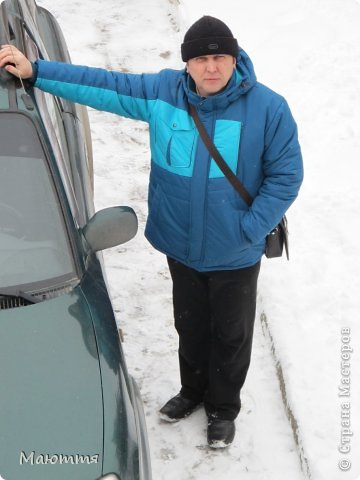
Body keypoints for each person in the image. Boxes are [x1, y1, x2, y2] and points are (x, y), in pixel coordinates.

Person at [0, 15, 303, 448]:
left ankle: (223, 408)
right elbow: (105, 85)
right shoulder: (163, 93)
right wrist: (39, 72)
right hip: (180, 245)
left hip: (236, 251)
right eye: (201, 59)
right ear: (187, 64)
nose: (211, 68)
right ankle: (192, 392)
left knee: (231, 334)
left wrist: (248, 228)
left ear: (235, 60)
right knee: (190, 325)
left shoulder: (268, 109)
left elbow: (286, 175)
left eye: (220, 58)